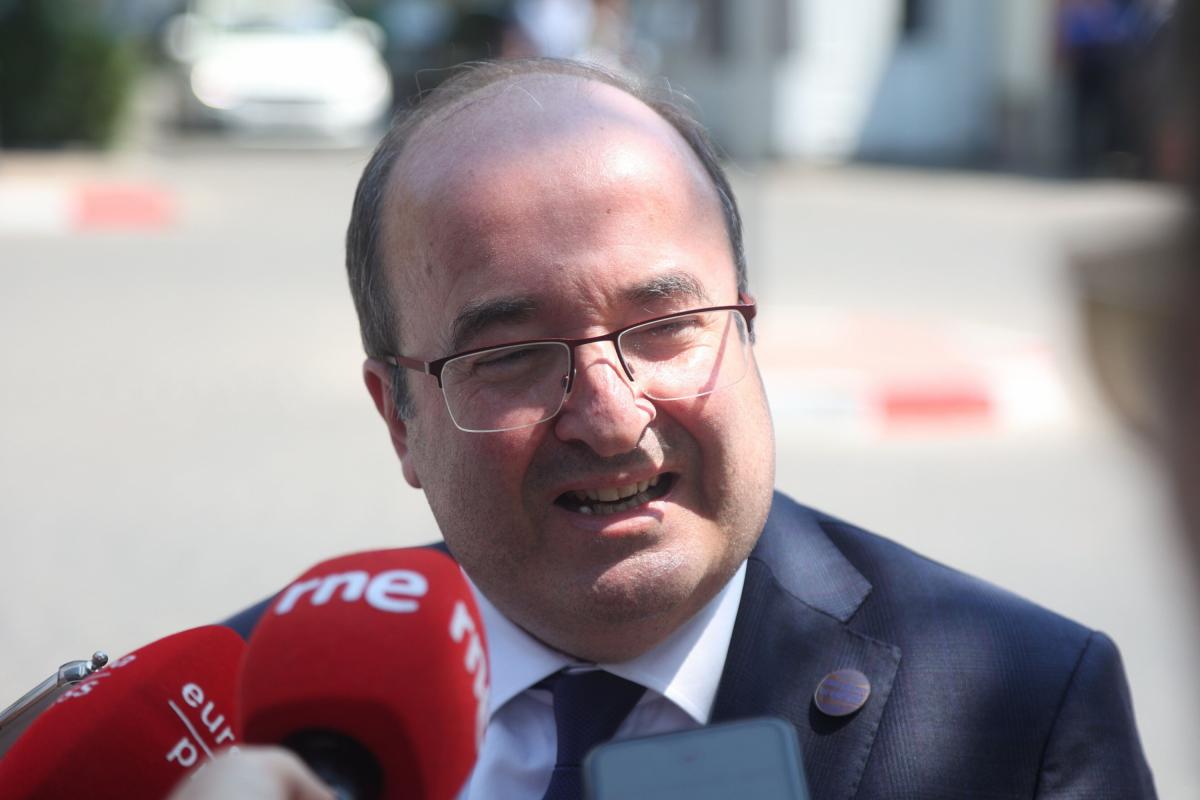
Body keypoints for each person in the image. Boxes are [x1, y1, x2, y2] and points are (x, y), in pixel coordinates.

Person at [188, 58, 1156, 798]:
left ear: (747, 331)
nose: (611, 418)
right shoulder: (229, 731)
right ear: (398, 418)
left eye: (665, 327)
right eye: (512, 355)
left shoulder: (1024, 711)